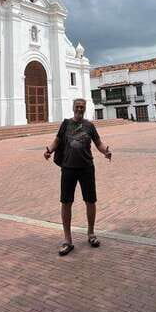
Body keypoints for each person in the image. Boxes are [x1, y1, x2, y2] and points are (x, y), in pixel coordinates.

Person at [44, 98, 112, 256]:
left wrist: (105, 151)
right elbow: (57, 141)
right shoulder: (66, 124)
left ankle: (91, 233)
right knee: (66, 202)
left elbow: (98, 143)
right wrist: (49, 150)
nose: (79, 109)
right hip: (68, 168)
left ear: (85, 108)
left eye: (82, 107)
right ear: (73, 108)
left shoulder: (90, 126)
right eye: (77, 107)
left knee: (90, 200)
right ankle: (68, 240)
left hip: (87, 168)